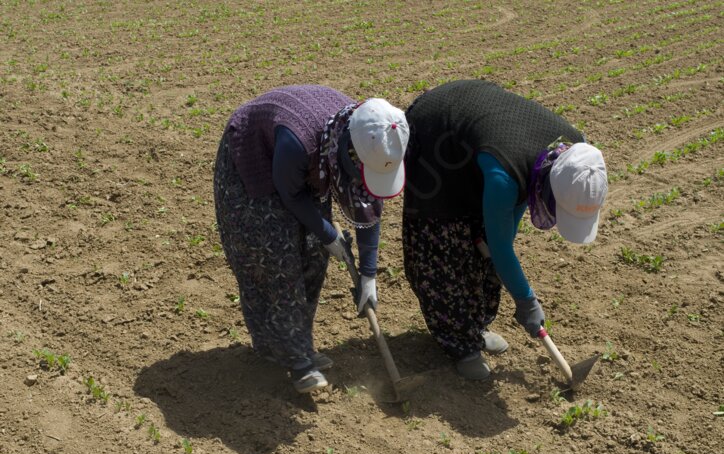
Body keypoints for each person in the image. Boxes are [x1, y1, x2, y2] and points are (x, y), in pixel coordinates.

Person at [402, 80, 607, 380]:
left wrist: (499, 253)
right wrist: (526, 299)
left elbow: (523, 191)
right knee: (443, 247)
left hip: (484, 143)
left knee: (485, 249)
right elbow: (502, 239)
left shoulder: (574, 152)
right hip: (436, 133)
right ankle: (460, 344)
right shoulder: (504, 177)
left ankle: (476, 327)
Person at [214, 85, 409, 393]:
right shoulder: (301, 144)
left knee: (313, 255)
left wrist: (369, 274)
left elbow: (368, 207)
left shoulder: (371, 138)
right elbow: (290, 193)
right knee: (274, 260)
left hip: (305, 163)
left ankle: (295, 346)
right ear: (350, 156)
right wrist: (328, 233)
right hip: (255, 160)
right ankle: (297, 361)